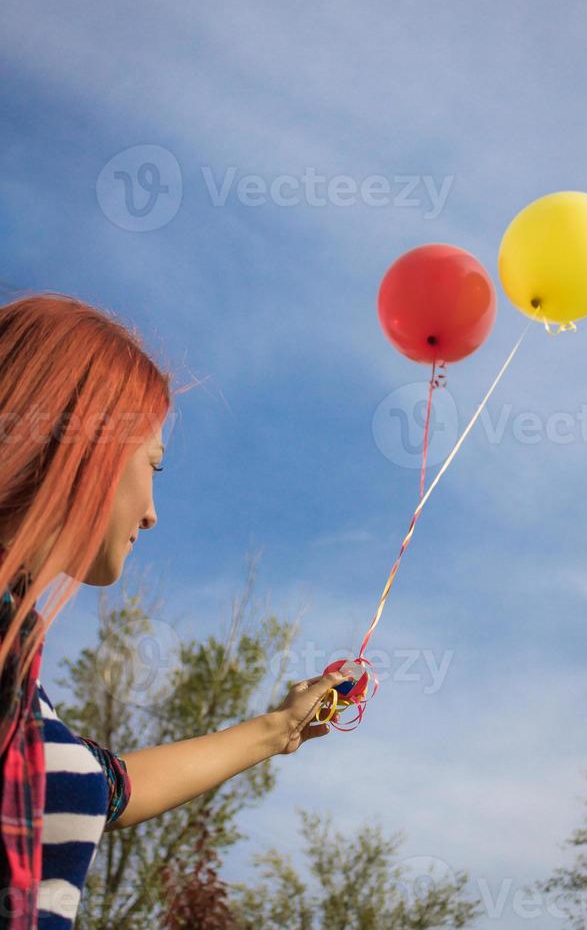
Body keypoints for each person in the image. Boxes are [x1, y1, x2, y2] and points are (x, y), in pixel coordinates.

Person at [0, 292, 348, 928]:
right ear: (85, 446)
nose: (153, 513)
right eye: (152, 465)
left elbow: (109, 786)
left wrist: (280, 728)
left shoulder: (17, 674)